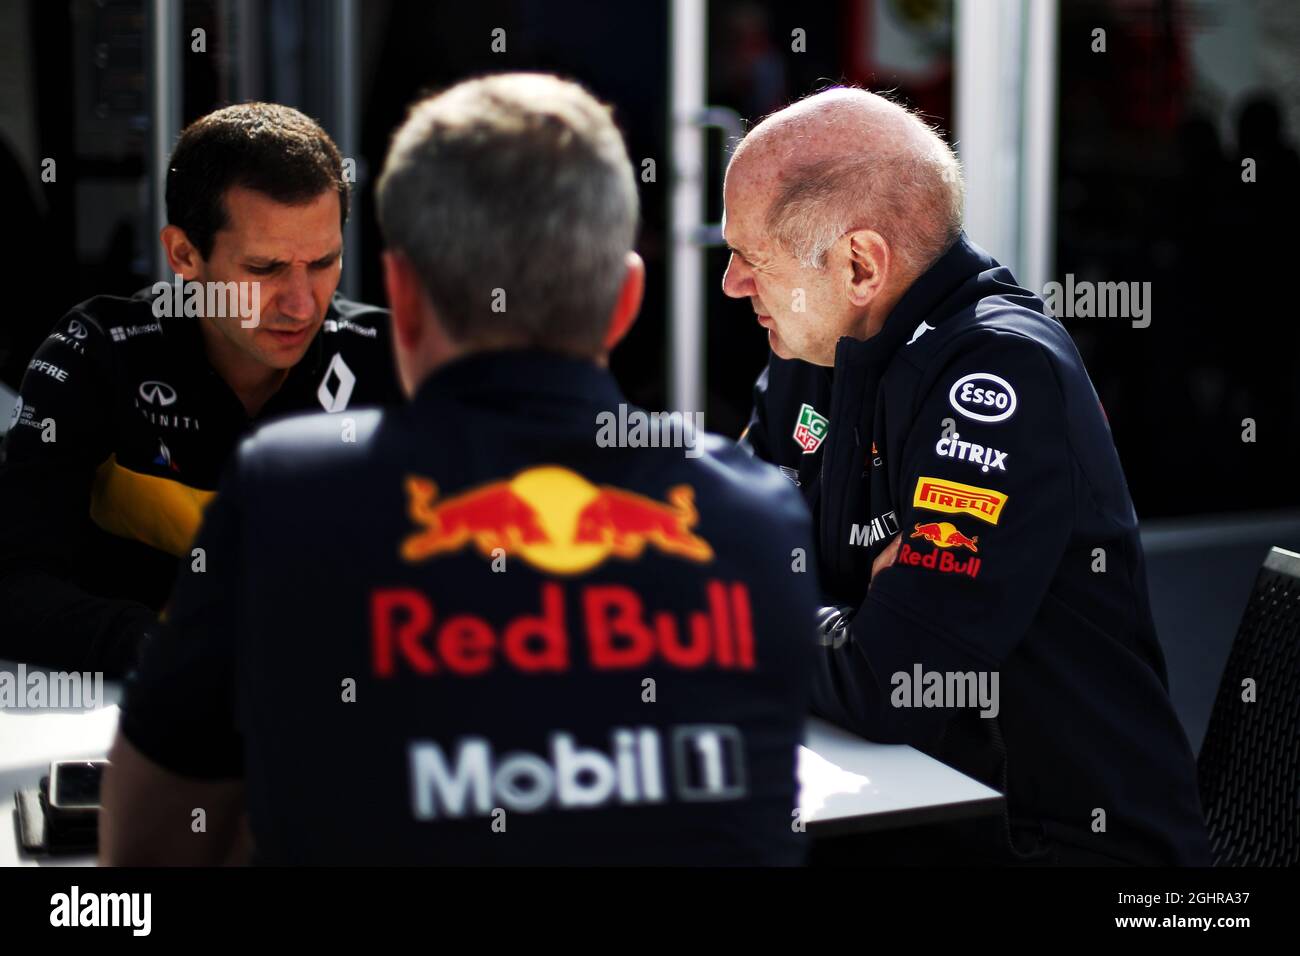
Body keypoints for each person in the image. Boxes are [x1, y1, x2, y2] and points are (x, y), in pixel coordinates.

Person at [100, 74, 816, 866]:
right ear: (626, 297)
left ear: (399, 296)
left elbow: (146, 855)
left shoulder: (289, 494)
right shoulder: (758, 514)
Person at [725, 87, 1209, 865]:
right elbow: (717, 554)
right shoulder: (813, 353)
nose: (732, 285)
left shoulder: (1000, 375)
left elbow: (892, 682)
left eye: (750, 259)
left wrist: (763, 609)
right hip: (899, 817)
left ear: (859, 264)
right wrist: (839, 613)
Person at [0, 103, 402, 675]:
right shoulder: (97, 355)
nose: (301, 302)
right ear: (185, 255)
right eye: (264, 269)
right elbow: (14, 584)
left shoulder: (395, 362)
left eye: (324, 262)